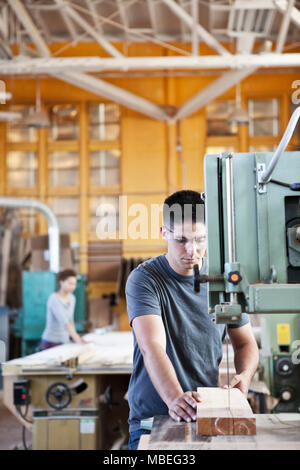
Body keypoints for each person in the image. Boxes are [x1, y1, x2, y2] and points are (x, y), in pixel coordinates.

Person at [125, 190, 259, 450]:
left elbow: (244, 343)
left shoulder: (223, 280)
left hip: (205, 415)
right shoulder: (145, 280)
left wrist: (245, 375)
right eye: (181, 240)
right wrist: (174, 398)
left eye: (200, 240)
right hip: (154, 418)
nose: (192, 250)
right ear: (164, 233)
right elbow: (151, 346)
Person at [40, 269, 86, 351]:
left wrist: (76, 338)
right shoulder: (54, 299)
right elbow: (64, 322)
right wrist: (78, 340)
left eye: (74, 284)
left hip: (64, 341)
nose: (73, 286)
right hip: (50, 342)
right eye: (70, 283)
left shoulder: (72, 298)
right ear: (61, 282)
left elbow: (70, 320)